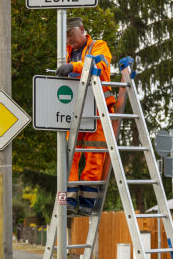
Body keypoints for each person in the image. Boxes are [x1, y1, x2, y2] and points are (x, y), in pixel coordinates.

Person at [54, 17, 116, 216]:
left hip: (97, 109)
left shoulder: (99, 46)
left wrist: (73, 67)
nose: (69, 42)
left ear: (82, 30)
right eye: (66, 39)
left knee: (94, 154)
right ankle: (70, 200)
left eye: (71, 36)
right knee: (69, 153)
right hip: (74, 109)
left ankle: (87, 203)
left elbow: (102, 70)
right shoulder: (67, 53)